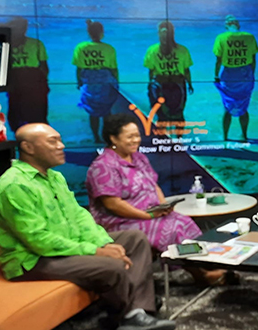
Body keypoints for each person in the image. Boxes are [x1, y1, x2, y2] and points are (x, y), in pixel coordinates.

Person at [0, 123, 175, 330]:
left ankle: (135, 307)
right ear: (28, 148)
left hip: (65, 246)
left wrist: (104, 243)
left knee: (134, 239)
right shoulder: (14, 185)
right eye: (53, 141)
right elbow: (37, 240)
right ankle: (128, 315)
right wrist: (95, 251)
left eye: (60, 140)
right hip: (32, 260)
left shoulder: (54, 177)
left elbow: (79, 216)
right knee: (112, 265)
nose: (61, 146)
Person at [86, 114, 228, 286]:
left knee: (183, 221)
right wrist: (147, 216)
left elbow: (154, 186)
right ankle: (201, 274)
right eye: (130, 137)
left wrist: (163, 207)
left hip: (150, 215)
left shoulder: (139, 158)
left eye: (137, 135)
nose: (136, 140)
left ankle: (206, 264)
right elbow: (113, 204)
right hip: (122, 222)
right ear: (113, 138)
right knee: (172, 228)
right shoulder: (103, 166)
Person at [213, 15, 258, 141]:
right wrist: (251, 75)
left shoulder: (221, 37)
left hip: (229, 75)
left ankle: (225, 137)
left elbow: (218, 60)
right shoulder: (249, 37)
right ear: (238, 25)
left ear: (226, 26)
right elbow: (253, 59)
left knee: (227, 106)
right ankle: (244, 135)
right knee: (244, 105)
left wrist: (216, 75)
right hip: (245, 74)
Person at [72, 19, 118, 143]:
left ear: (89, 33)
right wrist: (117, 83)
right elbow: (113, 69)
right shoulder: (109, 48)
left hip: (89, 82)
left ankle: (96, 137)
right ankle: (107, 137)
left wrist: (78, 81)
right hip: (105, 82)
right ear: (102, 32)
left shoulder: (81, 47)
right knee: (107, 111)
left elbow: (79, 68)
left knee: (93, 112)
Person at [143, 21, 193, 132]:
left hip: (162, 85)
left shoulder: (152, 50)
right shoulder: (182, 50)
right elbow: (186, 71)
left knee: (163, 116)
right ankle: (178, 139)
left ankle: (163, 140)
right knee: (177, 114)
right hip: (177, 85)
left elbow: (151, 71)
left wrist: (150, 85)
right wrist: (190, 84)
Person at [4, 18, 49, 132]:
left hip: (30, 82)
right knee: (18, 118)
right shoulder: (7, 44)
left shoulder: (36, 43)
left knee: (34, 117)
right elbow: (44, 68)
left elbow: (44, 67)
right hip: (22, 83)